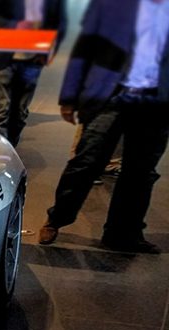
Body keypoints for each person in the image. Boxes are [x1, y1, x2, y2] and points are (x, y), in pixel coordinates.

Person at [38, 0, 169, 253]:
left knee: (140, 173)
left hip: (156, 103)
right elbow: (84, 49)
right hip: (110, 97)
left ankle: (122, 234)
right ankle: (57, 218)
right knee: (86, 162)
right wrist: (69, 96)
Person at [0, 0, 66, 146]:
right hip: (3, 56)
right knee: (0, 112)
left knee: (19, 114)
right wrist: (14, 26)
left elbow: (59, 23)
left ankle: (10, 149)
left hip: (33, 59)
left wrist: (48, 52)